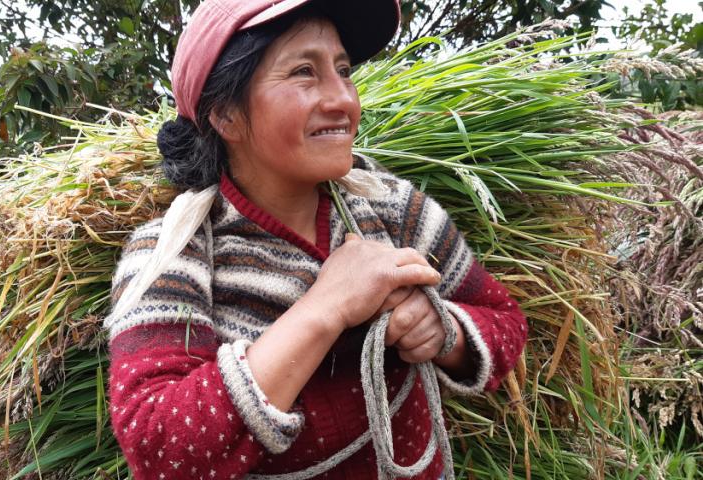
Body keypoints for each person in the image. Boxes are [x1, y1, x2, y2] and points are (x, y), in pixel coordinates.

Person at [103, 0, 528, 478]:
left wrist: (442, 328)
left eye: (343, 70)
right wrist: (328, 306)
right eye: (304, 71)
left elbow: (505, 321)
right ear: (225, 115)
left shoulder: (390, 208)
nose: (344, 100)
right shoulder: (174, 254)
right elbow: (158, 448)